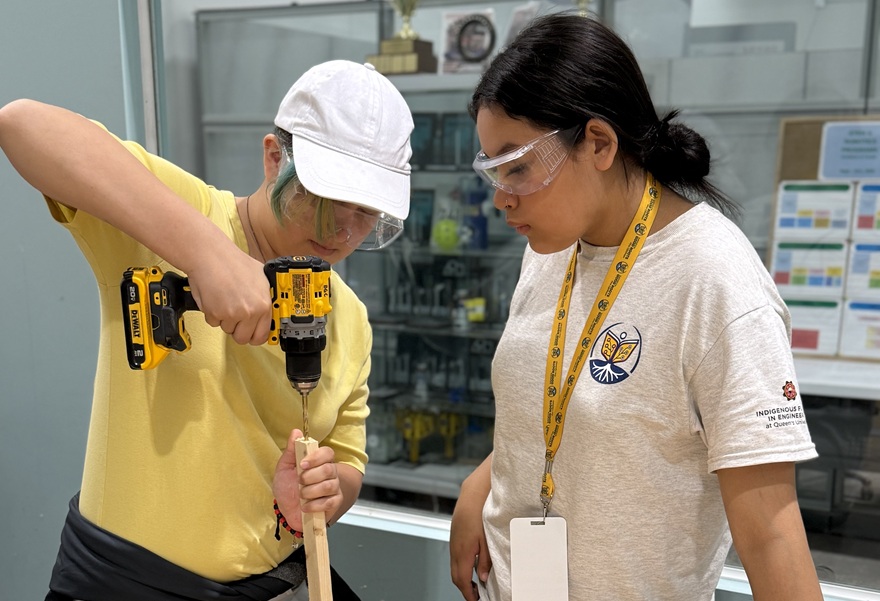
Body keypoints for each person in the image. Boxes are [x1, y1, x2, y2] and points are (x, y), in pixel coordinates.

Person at [0, 59, 413, 600]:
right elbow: (22, 124)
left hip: (271, 583)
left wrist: (325, 493)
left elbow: (349, 458)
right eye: (328, 198)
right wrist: (206, 253)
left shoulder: (349, 316)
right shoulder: (184, 217)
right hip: (122, 583)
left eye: (368, 214)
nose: (344, 231)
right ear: (274, 159)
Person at [448, 13, 823, 601]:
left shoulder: (715, 282)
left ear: (598, 142)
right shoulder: (550, 247)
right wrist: (486, 479)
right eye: (493, 169)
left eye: (517, 167)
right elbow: (573, 409)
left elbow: (771, 533)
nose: (501, 197)